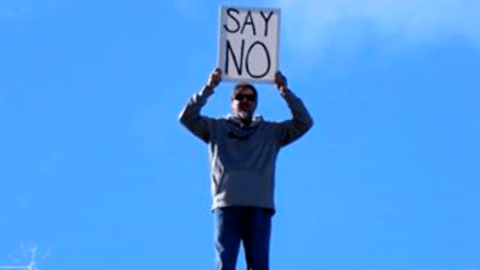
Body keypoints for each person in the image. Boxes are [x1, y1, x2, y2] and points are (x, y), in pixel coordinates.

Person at [178, 68, 313, 270]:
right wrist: (209, 87)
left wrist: (285, 91)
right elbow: (187, 118)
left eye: (249, 97)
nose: (244, 100)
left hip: (258, 207)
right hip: (227, 206)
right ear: (232, 103)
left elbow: (304, 122)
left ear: (255, 103)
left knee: (259, 265)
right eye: (239, 96)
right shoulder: (216, 129)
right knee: (226, 264)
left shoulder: (271, 133)